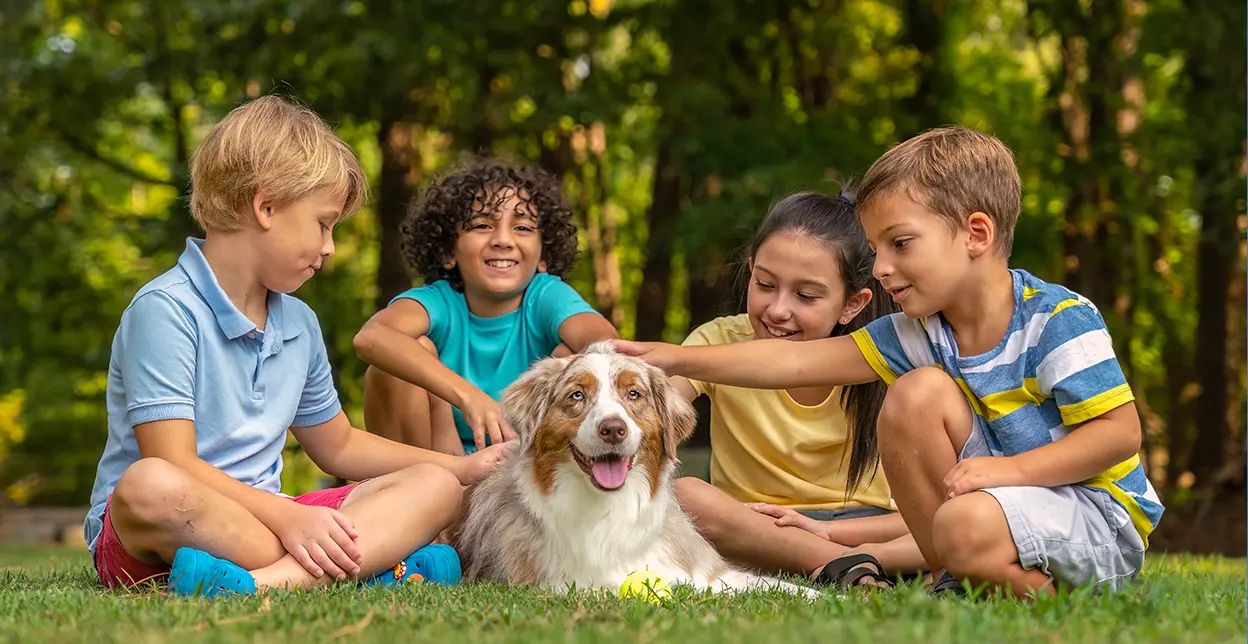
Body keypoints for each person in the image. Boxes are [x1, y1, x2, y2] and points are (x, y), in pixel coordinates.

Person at [614, 125, 1163, 598]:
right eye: (876, 249)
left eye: (899, 244)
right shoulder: (919, 333)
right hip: (998, 507)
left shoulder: (1057, 318)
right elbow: (797, 363)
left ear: (976, 233)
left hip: (1097, 515)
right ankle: (955, 578)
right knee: (915, 395)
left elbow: (1117, 435)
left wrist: (1008, 472)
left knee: (964, 521)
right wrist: (671, 357)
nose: (879, 268)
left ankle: (1043, 605)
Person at [83, 95, 511, 599]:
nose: (329, 247)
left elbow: (340, 445)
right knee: (148, 483)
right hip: (166, 531)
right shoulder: (165, 309)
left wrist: (458, 469)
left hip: (271, 523)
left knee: (435, 487)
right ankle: (374, 569)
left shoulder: (299, 323)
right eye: (324, 224)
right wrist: (289, 517)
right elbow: (174, 462)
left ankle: (257, 585)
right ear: (266, 207)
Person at [671, 191, 929, 588]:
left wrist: (843, 536)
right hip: (755, 524)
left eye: (805, 295)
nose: (778, 309)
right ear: (752, 269)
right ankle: (848, 566)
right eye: (765, 284)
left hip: (866, 526)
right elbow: (661, 412)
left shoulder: (888, 353)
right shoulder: (720, 339)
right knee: (685, 496)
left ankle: (845, 558)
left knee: (954, 519)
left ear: (852, 304)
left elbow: (923, 512)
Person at [354, 157, 618, 455]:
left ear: (543, 255)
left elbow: (606, 347)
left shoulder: (545, 295)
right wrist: (469, 396)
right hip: (438, 462)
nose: (503, 239)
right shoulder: (438, 301)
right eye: (482, 225)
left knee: (571, 358)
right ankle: (422, 489)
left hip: (523, 462)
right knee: (403, 356)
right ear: (448, 251)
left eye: (522, 228)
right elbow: (372, 337)